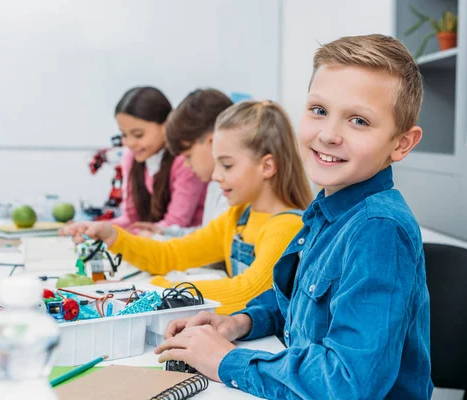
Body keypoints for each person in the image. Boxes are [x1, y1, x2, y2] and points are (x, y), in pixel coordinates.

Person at [154, 34, 434, 399]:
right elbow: (303, 306)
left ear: (401, 143)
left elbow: (348, 383)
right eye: (319, 110)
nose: (329, 135)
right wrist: (241, 322)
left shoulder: (377, 231)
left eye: (359, 121)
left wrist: (227, 362)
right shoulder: (328, 212)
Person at [61, 100, 313, 315]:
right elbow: (174, 253)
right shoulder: (238, 218)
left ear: (267, 167)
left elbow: (248, 292)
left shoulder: (286, 226)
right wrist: (112, 235)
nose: (215, 176)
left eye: (226, 165)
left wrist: (162, 291)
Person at [129, 88, 232, 238]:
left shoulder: (234, 191)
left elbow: (212, 249)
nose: (186, 165)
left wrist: (156, 241)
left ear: (213, 141)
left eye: (188, 156)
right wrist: (164, 232)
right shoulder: (215, 185)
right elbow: (206, 235)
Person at [110, 86, 207, 233]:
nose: (129, 143)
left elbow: (176, 223)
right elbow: (130, 218)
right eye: (124, 134)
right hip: (156, 242)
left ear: (165, 126)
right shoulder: (131, 156)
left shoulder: (185, 160)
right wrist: (96, 228)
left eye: (138, 135)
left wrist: (125, 237)